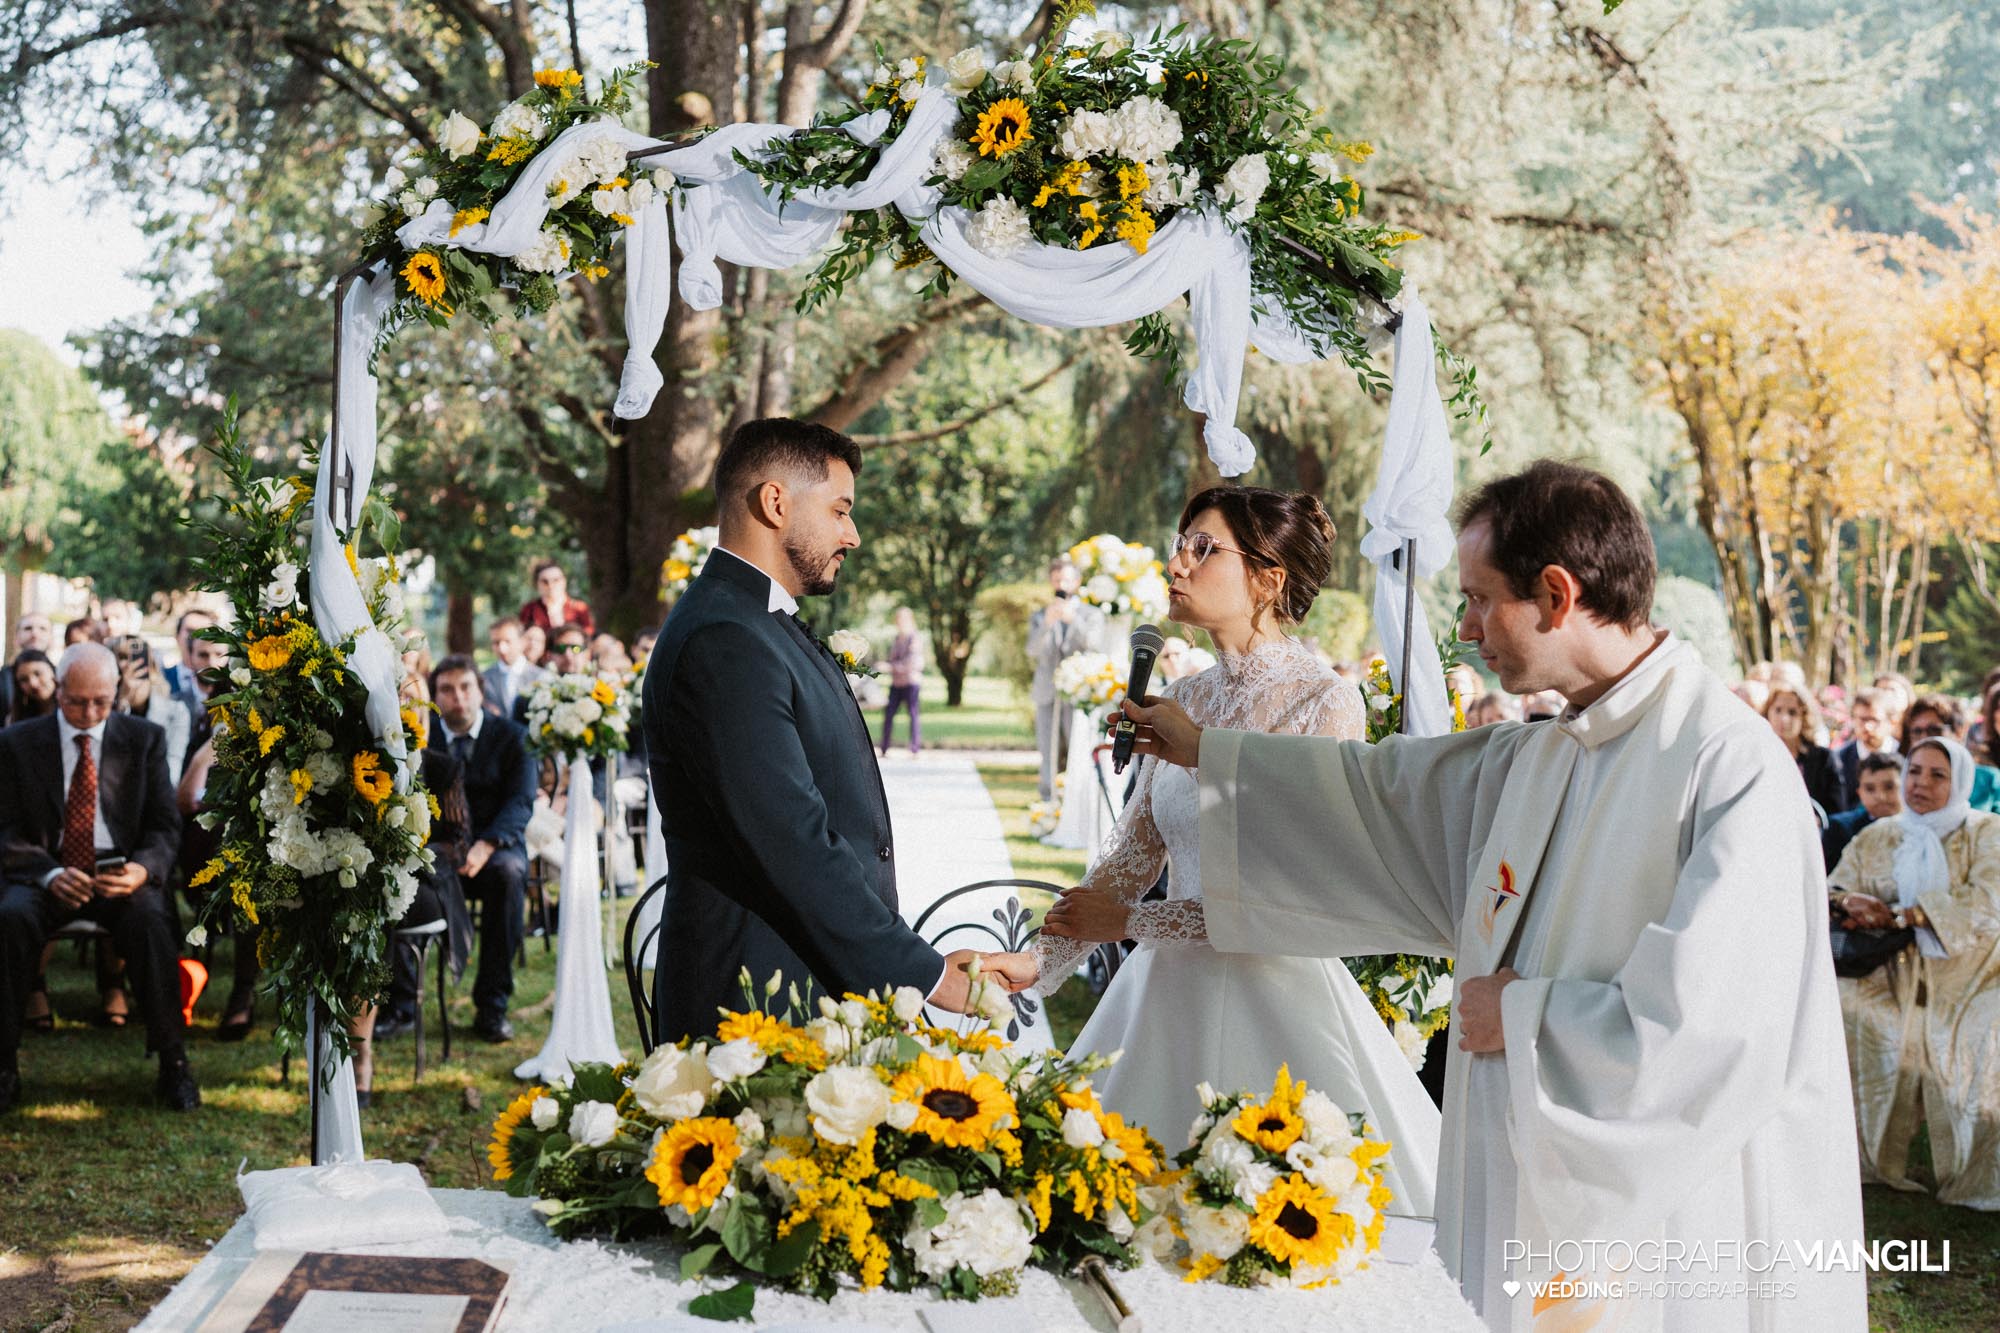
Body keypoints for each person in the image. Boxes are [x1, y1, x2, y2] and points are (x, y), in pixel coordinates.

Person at [1119, 461, 1862, 1328]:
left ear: (1554, 593)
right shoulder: (1545, 750)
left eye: (1478, 599)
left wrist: (1523, 1014)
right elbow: (1377, 797)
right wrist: (1209, 753)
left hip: (1662, 1220)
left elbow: (1719, 1032)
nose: (1467, 629)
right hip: (1520, 1176)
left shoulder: (1725, 765)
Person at [1029, 487, 1440, 1213]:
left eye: (1202, 547)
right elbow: (1133, 859)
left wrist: (1130, 925)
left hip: (1279, 1001)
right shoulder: (1183, 693)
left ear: (1268, 578)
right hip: (1162, 1001)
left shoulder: (1324, 702)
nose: (1176, 562)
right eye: (1180, 542)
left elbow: (1297, 892)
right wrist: (1036, 963)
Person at [642, 418, 1030, 1041]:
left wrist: (917, 963)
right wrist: (930, 979)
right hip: (751, 1002)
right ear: (775, 502)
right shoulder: (726, 639)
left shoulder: (759, 624)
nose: (852, 534)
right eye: (840, 510)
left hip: (810, 981)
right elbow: (792, 844)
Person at [0, 644, 192, 1113]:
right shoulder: (18, 741)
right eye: (77, 701)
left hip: (117, 870)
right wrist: (47, 874)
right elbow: (4, 829)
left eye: (101, 702)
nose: (88, 713)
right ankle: (4, 1066)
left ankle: (174, 1063)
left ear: (116, 693)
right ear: (58, 690)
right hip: (45, 871)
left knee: (151, 921)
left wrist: (142, 870)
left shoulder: (143, 738)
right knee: (9, 919)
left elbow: (166, 825)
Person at [1829, 737, 2000, 1209]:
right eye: (1915, 772)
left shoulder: (1986, 833)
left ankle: (1972, 1173)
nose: (1920, 783)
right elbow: (1834, 886)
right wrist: (1850, 902)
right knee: (1844, 1010)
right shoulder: (1880, 834)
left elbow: (1987, 907)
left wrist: (1906, 916)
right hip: (1888, 974)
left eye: (1937, 775)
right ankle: (1863, 1158)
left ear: (1960, 781)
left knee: (1985, 1029)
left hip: (1971, 977)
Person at [417, 655, 536, 1043]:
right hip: (436, 850)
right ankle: (400, 1003)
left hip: (495, 845)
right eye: (446, 690)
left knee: (509, 874)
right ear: (435, 696)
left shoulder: (512, 736)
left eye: (466, 687)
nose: (458, 698)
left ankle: (492, 1006)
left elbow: (521, 802)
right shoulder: (423, 736)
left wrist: (485, 846)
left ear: (481, 691)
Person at [1026, 557, 1106, 802]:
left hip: (1078, 692)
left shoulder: (1091, 614)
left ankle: (1076, 800)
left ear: (1077, 581)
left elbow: (1095, 645)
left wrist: (1074, 621)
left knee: (1077, 748)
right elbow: (1032, 650)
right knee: (1047, 748)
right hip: (1046, 691)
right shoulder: (1040, 615)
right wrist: (1047, 625)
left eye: (1066, 579)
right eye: (1057, 578)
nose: (1061, 583)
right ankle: (1048, 799)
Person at [1903, 693, 2000, 814]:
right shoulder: (1903, 778)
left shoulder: (1989, 780)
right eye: (1917, 732)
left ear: (1959, 731)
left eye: (1934, 730)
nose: (1925, 738)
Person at [111, 636, 191, 778]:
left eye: (136, 657)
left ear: (150, 663)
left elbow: (172, 772)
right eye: (122, 657)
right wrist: (122, 704)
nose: (129, 663)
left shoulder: (176, 712)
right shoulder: (106, 708)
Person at [1765, 683, 1847, 819]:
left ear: (1805, 716)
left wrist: (1819, 821)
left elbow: (1839, 812)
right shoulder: (1760, 755)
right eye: (1777, 710)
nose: (1783, 719)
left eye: (1792, 712)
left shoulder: (1823, 758)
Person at [1823, 751, 1903, 871]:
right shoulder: (1841, 829)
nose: (1880, 796)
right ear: (1859, 793)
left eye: (1889, 787)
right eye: (1870, 789)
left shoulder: (1922, 827)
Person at [1832, 686, 1898, 809]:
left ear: (1891, 722)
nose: (1867, 727)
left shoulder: (1904, 754)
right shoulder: (1839, 759)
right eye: (1862, 720)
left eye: (1874, 720)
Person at [480, 618, 547, 720]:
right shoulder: (484, 678)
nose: (502, 648)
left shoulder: (542, 677)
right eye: (496, 642)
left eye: (507, 641)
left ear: (522, 641)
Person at [879, 608, 922, 758]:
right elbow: (893, 658)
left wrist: (891, 667)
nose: (899, 622)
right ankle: (884, 748)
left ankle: (915, 749)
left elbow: (911, 663)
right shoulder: (897, 638)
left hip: (911, 683)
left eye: (901, 619)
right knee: (888, 714)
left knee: (913, 714)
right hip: (896, 684)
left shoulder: (913, 638)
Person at [519, 561, 595, 640]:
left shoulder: (579, 608)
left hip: (574, 650)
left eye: (556, 580)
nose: (551, 585)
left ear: (564, 581)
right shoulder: (529, 609)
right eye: (545, 582)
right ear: (537, 584)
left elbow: (588, 635)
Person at [0, 612, 53, 720]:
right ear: (16, 637)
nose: (35, 634)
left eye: (42, 629)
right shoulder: (3, 678)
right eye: (28, 628)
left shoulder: (65, 675)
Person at [164, 608, 218, 699]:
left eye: (204, 632)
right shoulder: (162, 678)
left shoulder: (226, 681)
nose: (197, 638)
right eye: (190, 631)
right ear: (177, 637)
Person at [6, 650, 57, 727]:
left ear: (52, 672)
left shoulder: (73, 712)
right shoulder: (16, 720)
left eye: (38, 674)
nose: (33, 684)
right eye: (24, 679)